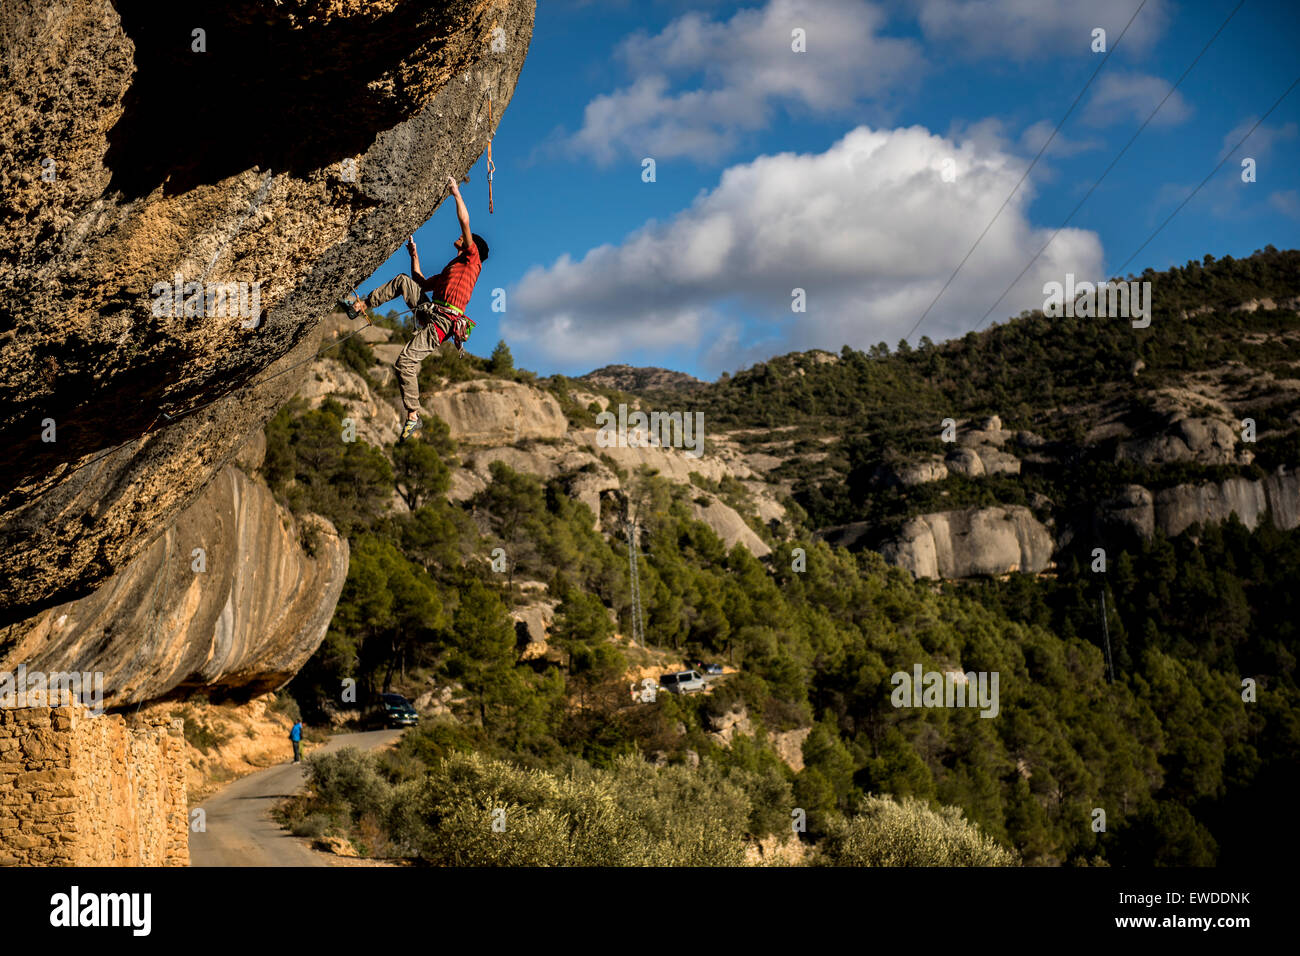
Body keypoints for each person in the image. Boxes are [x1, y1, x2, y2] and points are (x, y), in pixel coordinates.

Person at [338, 176, 489, 443]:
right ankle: (360, 305)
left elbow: (465, 222)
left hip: (443, 323)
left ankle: (413, 415)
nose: (458, 238)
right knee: (403, 281)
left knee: (404, 362)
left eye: (463, 239)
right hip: (431, 311)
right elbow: (418, 283)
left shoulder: (472, 259)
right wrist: (414, 255)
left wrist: (456, 193)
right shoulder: (451, 269)